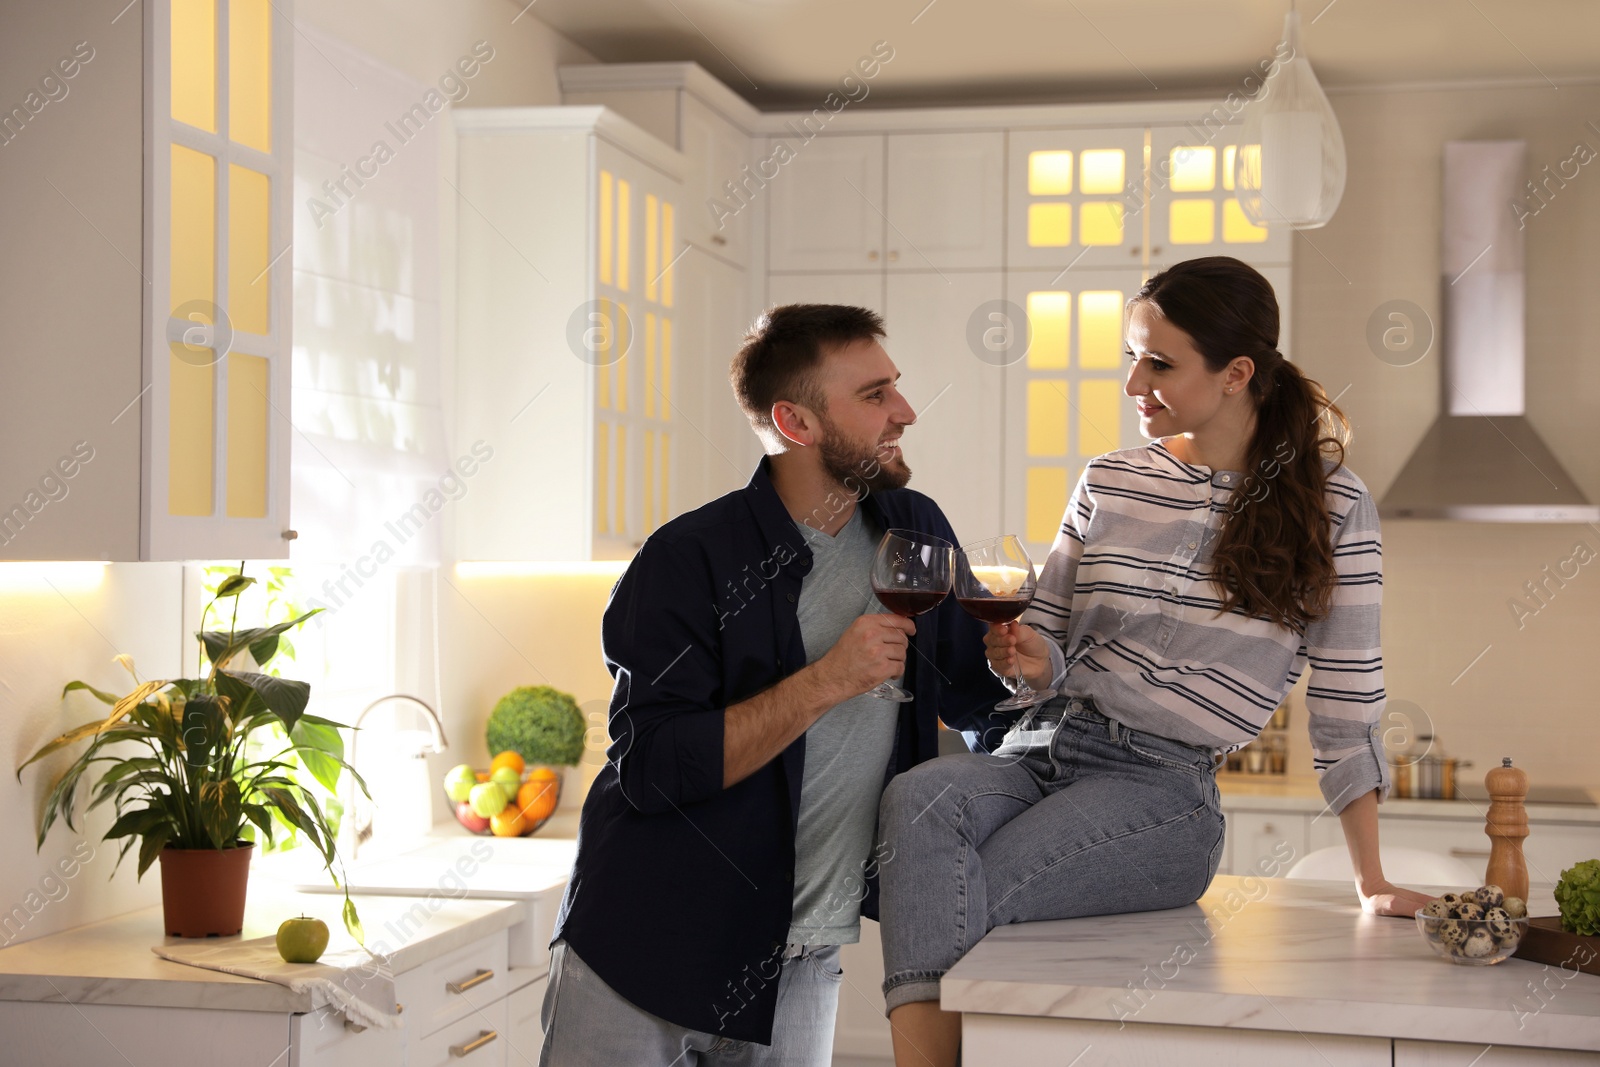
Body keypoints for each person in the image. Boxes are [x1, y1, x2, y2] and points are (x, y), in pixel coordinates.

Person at [875, 256, 1432, 1067]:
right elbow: (1048, 646)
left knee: (960, 888)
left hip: (1162, 789)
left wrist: (1371, 876)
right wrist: (1028, 657)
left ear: (1237, 372)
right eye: (1131, 357)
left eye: (1160, 362)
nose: (1135, 381)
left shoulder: (1335, 505)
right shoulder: (1110, 479)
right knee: (918, 803)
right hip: (1038, 748)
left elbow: (1348, 708)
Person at [540, 304, 1014, 1066]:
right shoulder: (689, 557)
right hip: (645, 952)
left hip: (798, 965)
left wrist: (1021, 672)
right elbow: (656, 767)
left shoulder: (913, 531)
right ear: (796, 421)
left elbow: (981, 699)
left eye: (894, 386)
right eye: (874, 395)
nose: (905, 411)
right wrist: (827, 680)